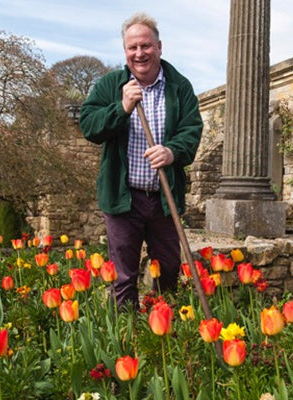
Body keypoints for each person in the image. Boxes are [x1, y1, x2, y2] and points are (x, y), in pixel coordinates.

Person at [79, 12, 203, 309]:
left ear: (159, 47)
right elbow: (89, 126)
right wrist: (121, 107)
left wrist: (172, 151)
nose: (140, 53)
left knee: (169, 269)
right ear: (125, 52)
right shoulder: (111, 85)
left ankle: (164, 334)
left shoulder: (179, 86)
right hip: (124, 199)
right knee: (123, 276)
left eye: (146, 46)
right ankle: (126, 336)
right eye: (132, 47)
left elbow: (192, 129)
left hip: (163, 197)